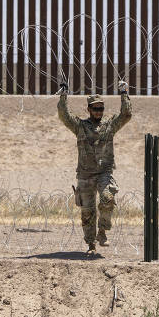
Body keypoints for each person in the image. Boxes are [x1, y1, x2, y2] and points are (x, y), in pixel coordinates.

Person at [58, 81, 132, 254]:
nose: (99, 112)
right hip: (85, 174)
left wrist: (124, 93)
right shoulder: (80, 126)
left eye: (101, 108)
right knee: (87, 212)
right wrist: (63, 94)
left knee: (107, 199)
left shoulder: (109, 125)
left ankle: (102, 231)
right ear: (89, 109)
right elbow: (64, 115)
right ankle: (91, 244)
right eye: (95, 108)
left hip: (104, 172)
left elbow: (126, 115)